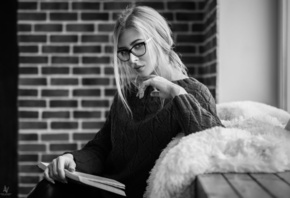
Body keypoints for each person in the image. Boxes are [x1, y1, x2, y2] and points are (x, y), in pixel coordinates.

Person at [27, 5, 223, 198]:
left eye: (138, 46)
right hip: (105, 188)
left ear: (160, 40)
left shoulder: (192, 93)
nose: (131, 59)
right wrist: (71, 159)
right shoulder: (128, 94)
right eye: (123, 51)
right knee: (49, 187)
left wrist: (176, 92)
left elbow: (215, 144)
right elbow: (101, 148)